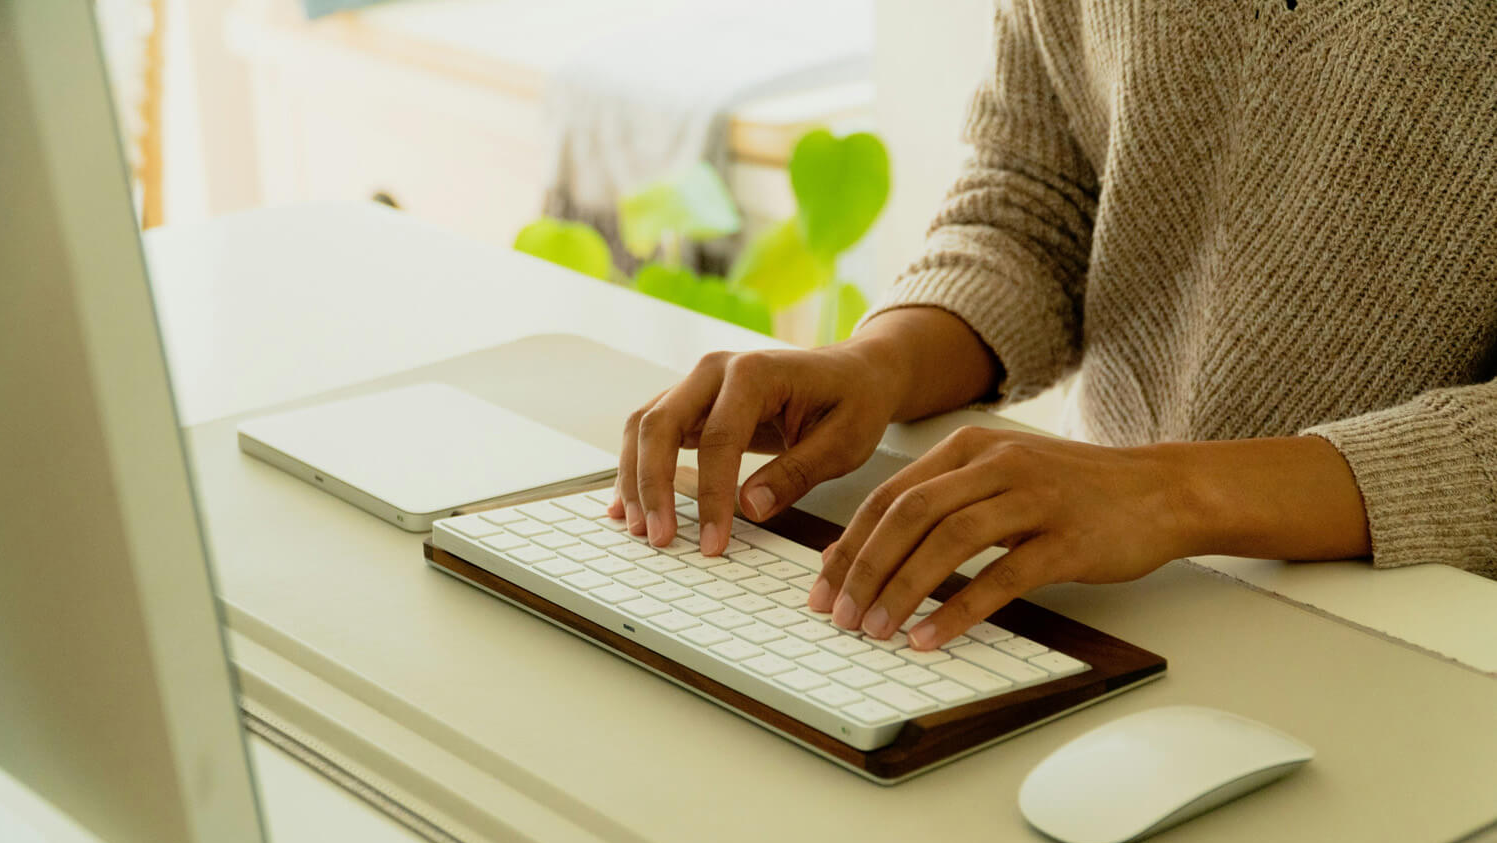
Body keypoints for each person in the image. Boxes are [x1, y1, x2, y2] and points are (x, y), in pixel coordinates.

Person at [610, 0, 1497, 653]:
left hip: (1428, 635)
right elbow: (1037, 205)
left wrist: (1170, 493)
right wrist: (879, 362)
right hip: (1110, 587)